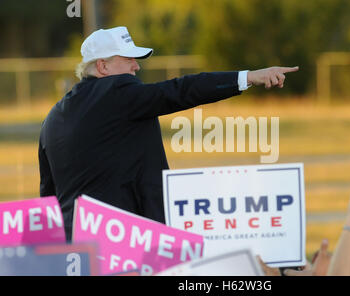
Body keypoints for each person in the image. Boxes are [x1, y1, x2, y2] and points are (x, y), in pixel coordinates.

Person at [38, 26, 299, 241]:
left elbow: (48, 197)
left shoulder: (53, 118)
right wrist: (248, 77)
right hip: (123, 243)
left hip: (73, 248)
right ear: (103, 67)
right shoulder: (117, 93)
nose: (136, 67)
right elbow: (180, 90)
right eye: (128, 59)